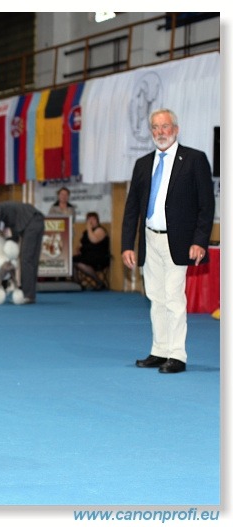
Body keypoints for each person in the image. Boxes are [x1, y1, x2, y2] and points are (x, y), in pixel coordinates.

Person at [122, 108, 214, 374]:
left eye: (164, 127)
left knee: (174, 298)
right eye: (155, 128)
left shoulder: (195, 160)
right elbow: (131, 209)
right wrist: (128, 243)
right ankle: (159, 350)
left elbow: (206, 206)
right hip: (150, 240)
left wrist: (200, 241)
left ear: (176, 128)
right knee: (156, 298)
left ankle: (177, 355)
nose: (160, 132)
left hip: (179, 242)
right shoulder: (142, 164)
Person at [0, 201, 44, 304]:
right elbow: (13, 236)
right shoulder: (7, 218)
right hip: (38, 221)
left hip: (31, 222)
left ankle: (27, 295)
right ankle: (30, 295)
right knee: (32, 260)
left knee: (26, 260)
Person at [72, 211, 111, 290]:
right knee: (73, 260)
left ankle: (99, 281)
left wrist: (89, 228)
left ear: (97, 220)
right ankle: (77, 284)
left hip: (99, 257)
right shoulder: (85, 232)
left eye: (93, 219)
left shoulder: (100, 230)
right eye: (89, 219)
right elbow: (81, 244)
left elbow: (93, 240)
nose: (91, 221)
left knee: (79, 262)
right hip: (87, 256)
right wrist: (78, 249)